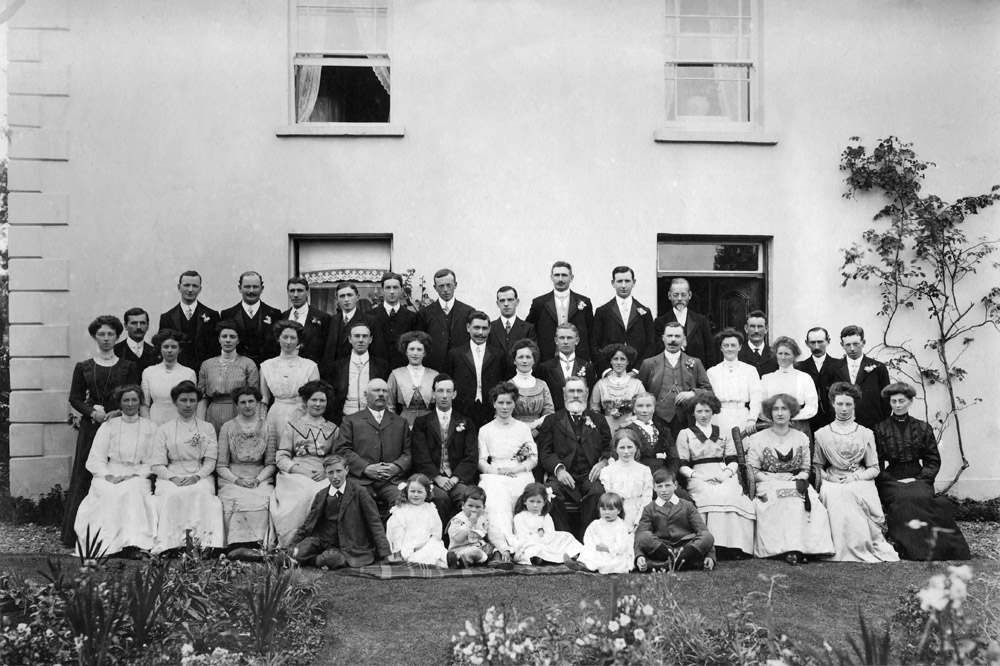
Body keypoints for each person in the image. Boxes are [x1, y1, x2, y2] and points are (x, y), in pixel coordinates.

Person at [62, 315, 142, 547]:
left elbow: (133, 393)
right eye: (101, 334)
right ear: (95, 337)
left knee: (117, 474)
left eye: (110, 334)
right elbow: (74, 398)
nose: (106, 339)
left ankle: (118, 533)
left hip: (119, 425)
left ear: (118, 336)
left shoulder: (128, 366)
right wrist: (91, 412)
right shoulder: (84, 366)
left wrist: (118, 411)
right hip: (92, 427)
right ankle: (79, 534)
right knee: (86, 475)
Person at [873, 382, 970, 560]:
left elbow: (932, 459)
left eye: (901, 401)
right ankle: (909, 547)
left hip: (919, 476)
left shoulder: (922, 427)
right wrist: (891, 480)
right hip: (891, 479)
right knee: (902, 498)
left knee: (921, 497)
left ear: (910, 401)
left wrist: (920, 478)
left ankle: (940, 548)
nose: (897, 405)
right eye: (893, 401)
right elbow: (876, 462)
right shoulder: (881, 428)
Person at [813, 382, 899, 563]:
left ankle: (860, 545)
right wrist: (830, 478)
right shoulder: (821, 434)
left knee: (854, 490)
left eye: (848, 404)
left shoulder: (865, 433)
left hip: (859, 477)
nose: (844, 409)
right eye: (839, 404)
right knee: (833, 492)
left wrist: (855, 477)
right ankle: (834, 547)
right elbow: (817, 466)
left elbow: (874, 468)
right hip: (832, 478)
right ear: (832, 404)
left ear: (855, 405)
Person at [745, 393, 834, 564]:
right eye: (775, 409)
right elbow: (753, 470)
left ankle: (807, 548)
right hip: (767, 482)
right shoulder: (757, 438)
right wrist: (774, 480)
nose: (780, 413)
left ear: (791, 412)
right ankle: (786, 549)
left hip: (796, 481)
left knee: (809, 503)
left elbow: (806, 468)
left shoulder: (801, 437)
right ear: (769, 413)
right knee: (783, 499)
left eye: (784, 409)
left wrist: (797, 478)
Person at [73, 384, 157, 556]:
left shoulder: (150, 427)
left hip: (137, 472)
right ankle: (107, 545)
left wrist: (137, 474)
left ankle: (132, 544)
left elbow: (153, 459)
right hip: (111, 470)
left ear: (139, 401)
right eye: (126, 400)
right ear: (119, 403)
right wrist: (107, 475)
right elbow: (96, 458)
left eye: (134, 400)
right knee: (106, 491)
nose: (131, 404)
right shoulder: (109, 426)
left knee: (133, 490)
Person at [149, 381, 224, 554]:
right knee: (171, 495)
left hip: (200, 474)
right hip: (171, 474)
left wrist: (197, 477)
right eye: (183, 400)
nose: (188, 405)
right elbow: (157, 463)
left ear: (198, 402)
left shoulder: (207, 428)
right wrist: (172, 478)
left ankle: (202, 544)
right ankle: (171, 544)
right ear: (175, 402)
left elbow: (211, 461)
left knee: (202, 493)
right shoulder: (165, 429)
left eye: (192, 400)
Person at [675, 394, 755, 557]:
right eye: (699, 411)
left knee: (729, 493)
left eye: (707, 410)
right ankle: (712, 545)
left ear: (713, 411)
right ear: (693, 413)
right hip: (697, 474)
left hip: (722, 472)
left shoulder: (724, 432)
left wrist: (726, 475)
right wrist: (698, 476)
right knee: (708, 494)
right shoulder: (685, 434)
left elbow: (733, 459)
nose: (703, 415)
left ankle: (734, 546)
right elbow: (682, 465)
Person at [537, 376, 613, 538]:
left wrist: (603, 463)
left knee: (598, 493)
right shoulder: (552, 421)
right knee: (550, 492)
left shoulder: (599, 420)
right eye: (572, 391)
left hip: (590, 475)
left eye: (580, 391)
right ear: (564, 394)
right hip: (563, 476)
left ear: (586, 394)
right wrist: (559, 470)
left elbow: (609, 447)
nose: (576, 395)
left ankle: (586, 539)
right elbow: (545, 452)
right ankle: (565, 538)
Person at [288, 454, 391, 569]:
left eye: (338, 471)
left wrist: (385, 552)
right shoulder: (321, 495)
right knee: (296, 552)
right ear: (325, 473)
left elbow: (374, 522)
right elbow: (308, 524)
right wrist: (291, 547)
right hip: (322, 539)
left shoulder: (360, 492)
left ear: (346, 470)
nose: (335, 476)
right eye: (330, 473)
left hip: (348, 543)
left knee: (333, 559)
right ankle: (312, 559)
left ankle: (316, 560)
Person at [271, 380, 339, 547]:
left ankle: (319, 543)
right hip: (296, 473)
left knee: (324, 493)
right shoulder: (293, 426)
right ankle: (292, 543)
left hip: (324, 473)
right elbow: (282, 455)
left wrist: (328, 471)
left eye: (322, 400)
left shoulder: (333, 429)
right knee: (301, 494)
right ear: (305, 402)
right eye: (314, 400)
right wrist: (299, 470)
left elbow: (337, 456)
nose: (318, 404)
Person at [476, 381, 538, 567]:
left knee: (523, 488)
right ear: (494, 403)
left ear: (514, 403)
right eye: (500, 403)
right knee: (495, 491)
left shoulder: (523, 428)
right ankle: (502, 546)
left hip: (519, 472)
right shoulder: (485, 429)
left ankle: (523, 548)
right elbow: (481, 461)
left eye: (508, 403)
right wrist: (496, 472)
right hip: (494, 473)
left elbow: (533, 459)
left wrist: (514, 470)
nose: (504, 407)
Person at [335, 378, 412, 514]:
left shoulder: (401, 422)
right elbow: (342, 450)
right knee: (355, 505)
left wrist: (397, 467)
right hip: (361, 480)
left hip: (391, 481)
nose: (381, 394)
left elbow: (409, 451)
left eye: (385, 391)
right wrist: (365, 468)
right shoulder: (351, 420)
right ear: (365, 395)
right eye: (376, 390)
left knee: (403, 506)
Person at [411, 374, 480, 524]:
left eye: (448, 391)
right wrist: (437, 477)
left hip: (456, 479)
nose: (444, 396)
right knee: (440, 498)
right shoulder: (422, 422)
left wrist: (455, 478)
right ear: (433, 394)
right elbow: (420, 455)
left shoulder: (466, 422)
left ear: (454, 394)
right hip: (432, 479)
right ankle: (440, 540)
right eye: (440, 391)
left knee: (466, 497)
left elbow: (471, 455)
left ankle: (464, 540)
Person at [217, 386, 277, 553]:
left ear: (258, 403)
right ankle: (236, 545)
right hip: (232, 477)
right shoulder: (227, 427)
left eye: (251, 401)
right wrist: (237, 480)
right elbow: (221, 464)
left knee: (263, 498)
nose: (247, 405)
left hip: (259, 476)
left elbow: (271, 463)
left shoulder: (268, 427)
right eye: (243, 402)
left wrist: (258, 479)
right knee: (237, 498)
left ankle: (259, 545)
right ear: (237, 405)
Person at [637, 321, 713, 443]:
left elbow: (709, 391)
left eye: (677, 336)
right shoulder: (649, 363)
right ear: (663, 338)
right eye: (669, 336)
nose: (673, 340)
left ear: (684, 339)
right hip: (656, 418)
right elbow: (638, 393)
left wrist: (692, 393)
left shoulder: (695, 363)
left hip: (685, 419)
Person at [634, 469, 716, 572]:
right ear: (654, 487)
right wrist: (639, 556)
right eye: (659, 486)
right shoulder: (649, 508)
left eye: (667, 485)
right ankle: (685, 563)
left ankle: (665, 565)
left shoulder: (687, 505)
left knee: (707, 537)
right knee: (644, 536)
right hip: (662, 548)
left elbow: (703, 530)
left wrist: (710, 556)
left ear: (675, 485)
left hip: (686, 547)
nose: (664, 490)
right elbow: (640, 535)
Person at [821, 325, 890, 431]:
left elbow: (886, 400)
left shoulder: (878, 368)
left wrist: (879, 423)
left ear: (863, 342)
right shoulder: (832, 369)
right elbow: (827, 400)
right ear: (842, 345)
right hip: (841, 425)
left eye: (856, 344)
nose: (852, 349)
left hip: (871, 425)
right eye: (848, 345)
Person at [196, 320, 259, 434]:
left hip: (238, 413)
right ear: (219, 339)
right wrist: (200, 423)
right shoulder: (207, 364)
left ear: (238, 340)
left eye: (232, 337)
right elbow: (202, 396)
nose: (228, 340)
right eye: (224, 336)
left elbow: (254, 396)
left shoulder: (248, 364)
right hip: (212, 414)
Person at [591, 266, 657, 374]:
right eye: (619, 281)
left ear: (634, 282)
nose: (623, 285)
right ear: (613, 283)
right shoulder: (602, 312)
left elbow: (650, 346)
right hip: (610, 372)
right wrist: (607, 371)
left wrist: (636, 371)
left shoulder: (645, 312)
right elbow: (594, 345)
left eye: (627, 281)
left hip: (636, 373)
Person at [259, 319, 320, 437]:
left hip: (302, 415)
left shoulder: (310, 366)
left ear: (299, 341)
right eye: (285, 337)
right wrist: (261, 424)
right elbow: (264, 398)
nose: (288, 341)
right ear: (278, 338)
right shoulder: (266, 366)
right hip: (275, 416)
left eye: (293, 338)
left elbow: (314, 397)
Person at [444, 311, 505, 427]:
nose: (480, 333)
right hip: (463, 410)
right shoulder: (455, 354)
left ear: (489, 329)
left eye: (484, 328)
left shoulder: (498, 355)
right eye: (476, 328)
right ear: (468, 328)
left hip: (490, 410)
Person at [525, 261, 594, 363]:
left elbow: (591, 332)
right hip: (547, 358)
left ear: (571, 277)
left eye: (564, 275)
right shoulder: (539, 303)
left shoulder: (584, 302)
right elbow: (529, 330)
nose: (560, 279)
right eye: (557, 275)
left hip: (577, 358)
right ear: (551, 277)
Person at [325, 322, 390, 425]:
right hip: (344, 420)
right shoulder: (337, 366)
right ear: (350, 339)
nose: (360, 340)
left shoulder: (381, 366)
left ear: (370, 339)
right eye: (357, 336)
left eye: (364, 336)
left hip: (373, 420)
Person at [158, 270, 220, 371]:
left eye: (195, 286)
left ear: (200, 289)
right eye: (186, 285)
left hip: (204, 370)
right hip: (176, 370)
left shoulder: (212, 315)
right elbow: (162, 348)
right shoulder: (167, 317)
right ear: (179, 287)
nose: (190, 290)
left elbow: (216, 348)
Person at [416, 268, 477, 371]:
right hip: (434, 368)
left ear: (455, 285)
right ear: (435, 288)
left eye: (449, 285)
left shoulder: (468, 312)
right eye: (441, 286)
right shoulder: (424, 314)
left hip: (462, 366)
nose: (445, 290)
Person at [706, 329, 762, 436]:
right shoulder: (712, 372)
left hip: (742, 416)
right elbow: (709, 400)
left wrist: (752, 419)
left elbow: (756, 396)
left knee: (742, 449)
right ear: (721, 348)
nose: (730, 349)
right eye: (726, 345)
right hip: (719, 417)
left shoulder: (750, 370)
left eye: (733, 345)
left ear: (739, 347)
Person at [220, 271, 282, 366]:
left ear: (262, 289)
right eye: (247, 286)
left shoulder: (274, 314)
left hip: (266, 367)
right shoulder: (228, 314)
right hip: (236, 368)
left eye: (255, 287)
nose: (251, 291)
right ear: (239, 288)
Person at [386, 473, 449, 567]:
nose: (415, 495)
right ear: (407, 491)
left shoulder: (430, 508)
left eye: (420, 492)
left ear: (427, 492)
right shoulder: (401, 509)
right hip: (409, 545)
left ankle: (451, 559)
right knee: (420, 556)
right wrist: (397, 552)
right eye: (412, 491)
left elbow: (436, 531)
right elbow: (396, 533)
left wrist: (431, 542)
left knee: (438, 549)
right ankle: (443, 564)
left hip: (427, 543)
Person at [760, 336, 818, 437]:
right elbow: (760, 406)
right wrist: (774, 419)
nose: (783, 357)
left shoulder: (804, 377)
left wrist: (790, 417)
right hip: (772, 426)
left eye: (787, 354)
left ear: (794, 356)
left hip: (798, 425)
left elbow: (812, 406)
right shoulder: (767, 378)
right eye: (780, 354)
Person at [512, 483, 583, 565]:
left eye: (539, 502)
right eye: (531, 501)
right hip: (528, 542)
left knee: (566, 537)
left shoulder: (545, 516)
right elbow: (523, 536)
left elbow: (550, 533)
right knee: (531, 549)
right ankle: (539, 558)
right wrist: (538, 536)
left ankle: (570, 555)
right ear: (525, 501)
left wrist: (543, 539)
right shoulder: (519, 517)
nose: (535, 505)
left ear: (544, 502)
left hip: (546, 541)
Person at [598, 429, 654, 533]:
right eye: (622, 448)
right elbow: (610, 501)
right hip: (616, 515)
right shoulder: (608, 471)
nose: (626, 452)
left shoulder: (644, 470)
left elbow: (647, 499)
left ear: (636, 448)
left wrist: (638, 522)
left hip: (640, 514)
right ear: (616, 449)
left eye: (630, 447)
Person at [563, 492, 633, 574]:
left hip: (612, 552)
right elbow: (589, 535)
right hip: (599, 548)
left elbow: (621, 545)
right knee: (588, 551)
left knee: (613, 563)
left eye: (611, 509)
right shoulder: (597, 523)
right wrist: (595, 544)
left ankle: (592, 568)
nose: (607, 512)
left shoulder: (620, 526)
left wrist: (607, 548)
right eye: (603, 509)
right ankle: (581, 566)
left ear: (618, 511)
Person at [653, 277, 715, 368]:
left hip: (695, 374)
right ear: (669, 296)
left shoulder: (701, 320)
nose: (679, 298)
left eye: (683, 295)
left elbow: (710, 352)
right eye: (675, 295)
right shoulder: (660, 322)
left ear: (689, 295)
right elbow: (657, 351)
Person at [620, 393, 683, 481]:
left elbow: (673, 457)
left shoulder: (664, 430)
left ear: (653, 408)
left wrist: (670, 476)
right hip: (639, 476)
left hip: (663, 476)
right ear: (634, 409)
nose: (644, 410)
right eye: (640, 406)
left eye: (648, 406)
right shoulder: (628, 431)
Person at [141, 329, 197, 426]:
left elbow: (192, 403)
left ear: (179, 349)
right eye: (166, 347)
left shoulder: (189, 373)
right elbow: (145, 404)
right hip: (156, 420)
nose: (169, 350)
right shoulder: (149, 372)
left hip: (180, 420)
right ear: (160, 348)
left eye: (174, 347)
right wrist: (147, 425)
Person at [539, 323, 597, 412]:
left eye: (569, 338)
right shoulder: (545, 367)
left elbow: (591, 396)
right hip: (554, 417)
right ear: (556, 340)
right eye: (562, 338)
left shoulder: (587, 367)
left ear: (577, 340)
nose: (565, 341)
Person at [386, 330, 439, 427]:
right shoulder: (395, 374)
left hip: (429, 421)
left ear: (425, 352)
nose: (415, 353)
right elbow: (390, 405)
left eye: (419, 350)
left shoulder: (434, 375)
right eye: (412, 349)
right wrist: (394, 425)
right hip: (404, 420)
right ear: (405, 351)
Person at [369, 271, 419, 371]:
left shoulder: (412, 317)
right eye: (388, 288)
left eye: (395, 287)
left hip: (403, 371)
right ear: (382, 290)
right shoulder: (370, 316)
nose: (392, 291)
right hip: (377, 370)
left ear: (401, 290)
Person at [589, 343, 645, 432]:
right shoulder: (601, 384)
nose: (619, 363)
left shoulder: (637, 384)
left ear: (628, 362)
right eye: (615, 359)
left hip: (631, 430)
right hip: (606, 430)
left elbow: (643, 409)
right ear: (610, 361)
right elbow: (594, 410)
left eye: (622, 359)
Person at [794, 327, 840, 433]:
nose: (816, 347)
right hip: (808, 421)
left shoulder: (839, 366)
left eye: (820, 342)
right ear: (806, 343)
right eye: (812, 343)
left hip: (833, 420)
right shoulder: (799, 367)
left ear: (828, 341)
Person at [508, 338, 555, 439]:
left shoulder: (542, 385)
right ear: (514, 361)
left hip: (539, 434)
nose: (524, 361)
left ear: (534, 360)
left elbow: (549, 413)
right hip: (513, 434)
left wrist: (535, 425)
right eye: (520, 357)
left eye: (528, 357)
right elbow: (503, 413)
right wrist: (525, 428)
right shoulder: (508, 386)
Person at [321, 282, 375, 369]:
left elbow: (375, 352)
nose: (346, 299)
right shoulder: (331, 320)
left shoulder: (370, 320)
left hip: (356, 370)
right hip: (332, 373)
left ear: (357, 297)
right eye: (342, 296)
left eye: (349, 295)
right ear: (337, 299)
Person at [281, 276, 331, 364]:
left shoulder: (322, 317)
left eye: (300, 290)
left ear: (308, 292)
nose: (296, 295)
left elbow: (327, 350)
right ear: (288, 293)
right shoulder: (282, 317)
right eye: (292, 291)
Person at [488, 286, 538, 371]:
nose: (506, 304)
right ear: (497, 304)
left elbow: (533, 356)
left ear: (517, 302)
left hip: (520, 377)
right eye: (502, 300)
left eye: (510, 300)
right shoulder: (490, 328)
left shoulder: (528, 328)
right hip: (496, 377)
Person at [446, 486, 494, 568]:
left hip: (481, 547)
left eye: (478, 507)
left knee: (495, 548)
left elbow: (492, 535)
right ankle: (461, 562)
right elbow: (458, 538)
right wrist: (469, 523)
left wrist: (503, 548)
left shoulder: (483, 519)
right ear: (463, 505)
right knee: (472, 551)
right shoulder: (457, 520)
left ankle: (467, 562)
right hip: (460, 549)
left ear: (483, 508)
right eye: (470, 506)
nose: (474, 510)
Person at [115, 307, 156, 373]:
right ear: (125, 326)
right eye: (134, 323)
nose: (139, 327)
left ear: (148, 326)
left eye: (142, 323)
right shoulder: (115, 351)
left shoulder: (155, 352)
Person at [738, 310, 776, 377]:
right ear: (746, 329)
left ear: (766, 329)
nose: (756, 331)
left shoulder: (775, 355)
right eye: (752, 326)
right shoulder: (738, 354)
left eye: (760, 326)